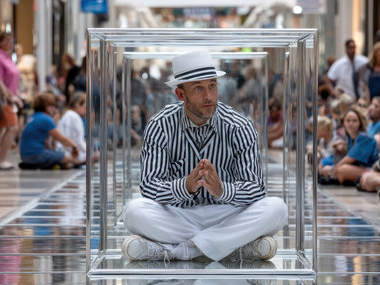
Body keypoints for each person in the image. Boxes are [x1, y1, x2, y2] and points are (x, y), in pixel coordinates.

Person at [121, 50, 288, 262]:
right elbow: (149, 186)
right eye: (198, 88)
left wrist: (222, 189)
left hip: (226, 214)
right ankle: (236, 248)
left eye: (212, 86)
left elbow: (256, 188)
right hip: (178, 215)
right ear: (181, 95)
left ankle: (176, 251)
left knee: (277, 209)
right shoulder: (160, 125)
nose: (208, 96)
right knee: (134, 212)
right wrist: (185, 186)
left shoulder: (239, 126)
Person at [0, 30, 22, 170]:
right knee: (12, 127)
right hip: (3, 99)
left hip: (7, 98)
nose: (10, 43)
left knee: (0, 129)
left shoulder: (5, 57)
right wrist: (11, 98)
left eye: (11, 40)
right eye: (6, 40)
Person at [319, 107, 379, 185]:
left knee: (342, 170)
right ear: (343, 123)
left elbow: (349, 159)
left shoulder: (364, 138)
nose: (351, 124)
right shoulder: (350, 138)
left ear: (359, 123)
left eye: (354, 121)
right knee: (326, 169)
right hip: (356, 167)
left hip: (369, 168)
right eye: (348, 121)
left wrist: (334, 171)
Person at [19, 93, 80, 169]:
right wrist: (74, 146)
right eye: (53, 106)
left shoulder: (33, 117)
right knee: (71, 159)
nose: (54, 109)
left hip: (25, 156)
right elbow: (61, 138)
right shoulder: (46, 119)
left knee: (55, 154)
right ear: (47, 107)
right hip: (35, 155)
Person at [56, 92, 87, 164]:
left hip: (68, 150)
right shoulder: (73, 116)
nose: (86, 110)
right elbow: (77, 141)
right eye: (85, 107)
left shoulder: (69, 114)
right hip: (68, 151)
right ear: (78, 104)